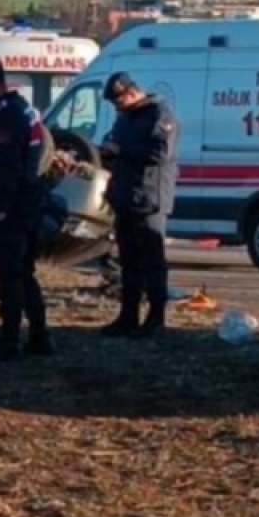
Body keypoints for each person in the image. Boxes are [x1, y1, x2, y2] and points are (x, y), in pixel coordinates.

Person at [0, 59, 52, 359]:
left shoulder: (8, 118)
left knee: (9, 276)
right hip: (28, 204)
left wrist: (0, 207)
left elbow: (10, 167)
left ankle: (9, 340)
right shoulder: (21, 111)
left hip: (14, 209)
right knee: (25, 274)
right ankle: (39, 338)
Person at [98, 72, 179, 339]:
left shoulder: (159, 115)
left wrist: (123, 151)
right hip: (126, 197)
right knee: (129, 261)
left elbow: (160, 153)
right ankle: (128, 316)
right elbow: (116, 149)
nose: (117, 108)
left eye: (119, 101)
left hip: (149, 198)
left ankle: (156, 318)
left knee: (153, 262)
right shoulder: (125, 119)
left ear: (132, 93)